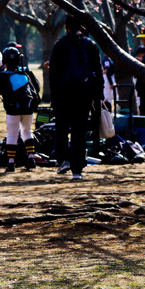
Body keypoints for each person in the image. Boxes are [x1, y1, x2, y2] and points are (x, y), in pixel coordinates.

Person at [48, 16, 103, 180]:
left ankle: (64, 159)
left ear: (66, 27)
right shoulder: (90, 45)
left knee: (62, 128)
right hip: (84, 95)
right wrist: (97, 95)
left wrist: (54, 96)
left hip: (64, 94)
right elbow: (98, 72)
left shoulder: (59, 45)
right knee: (80, 131)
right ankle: (77, 170)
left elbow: (53, 74)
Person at [0, 46, 41, 173]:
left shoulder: (1, 75)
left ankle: (11, 162)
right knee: (27, 131)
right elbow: (37, 87)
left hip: (12, 109)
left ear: (5, 60)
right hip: (28, 107)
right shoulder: (26, 72)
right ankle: (31, 158)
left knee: (12, 134)